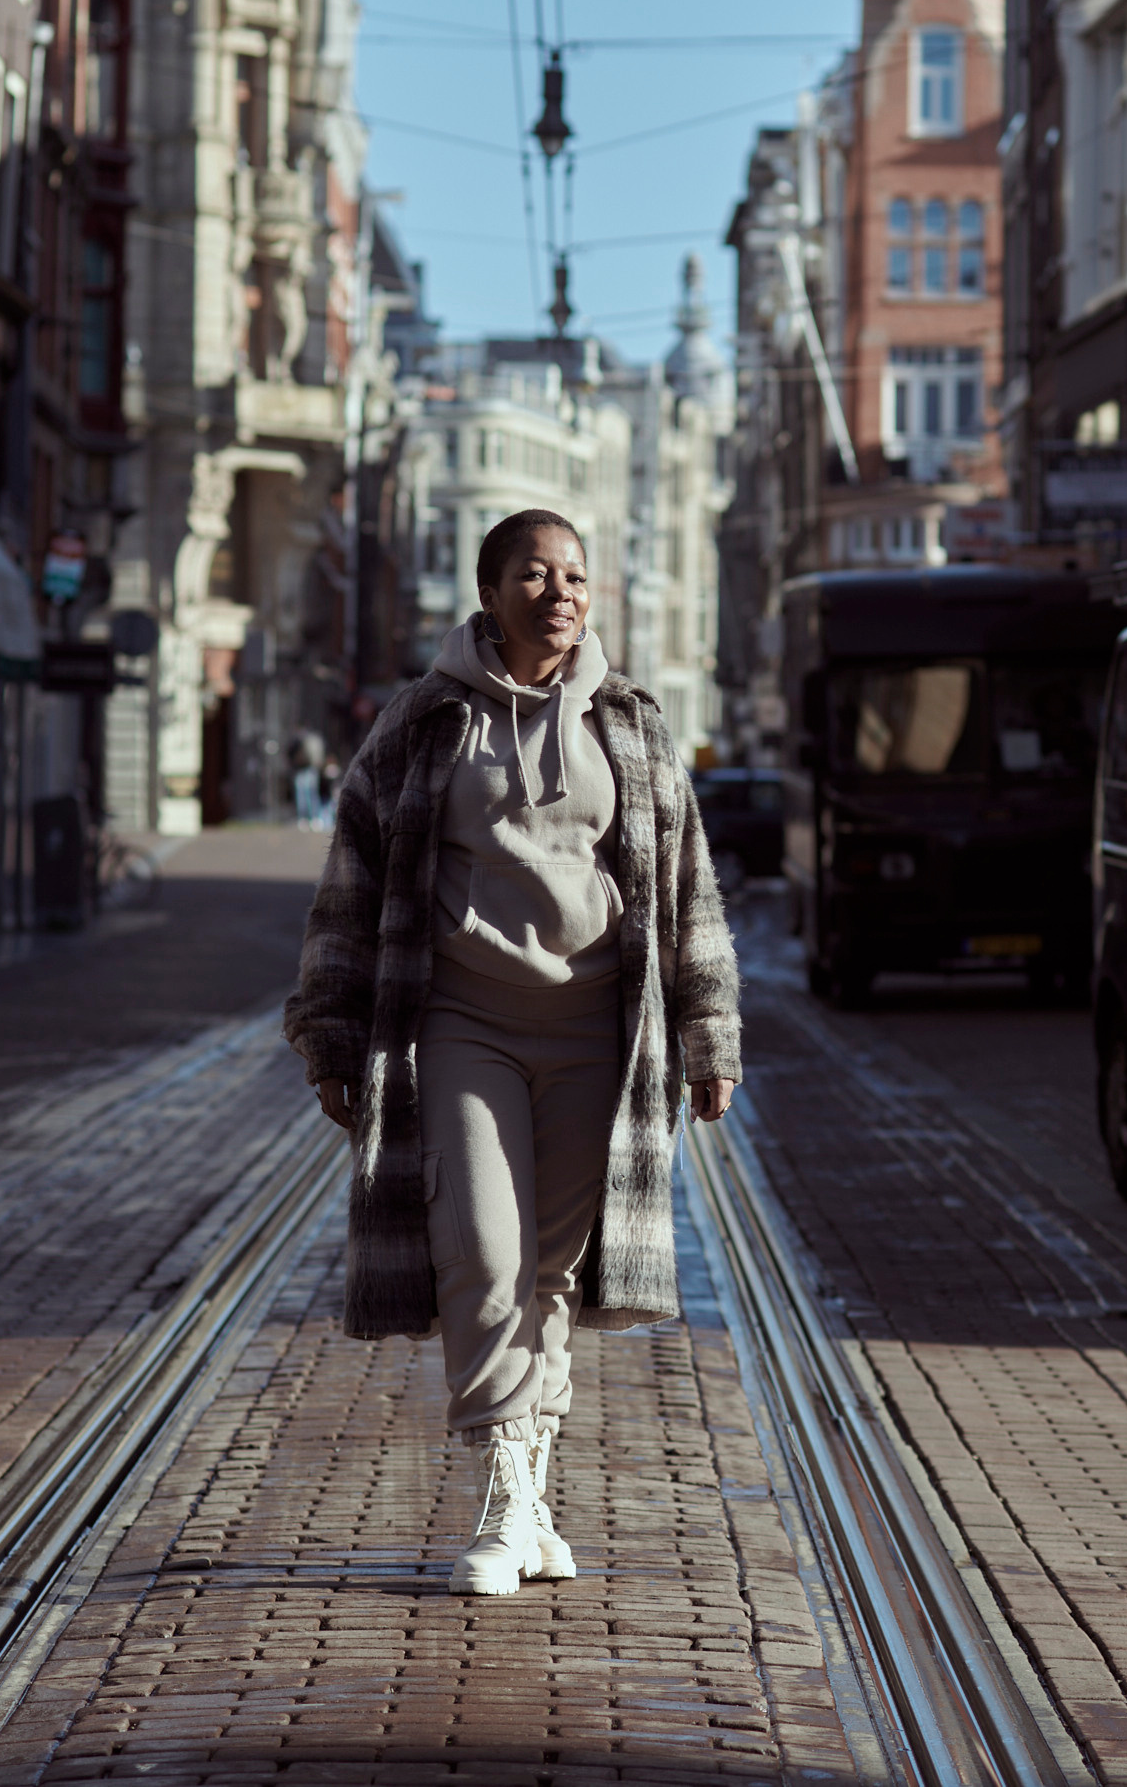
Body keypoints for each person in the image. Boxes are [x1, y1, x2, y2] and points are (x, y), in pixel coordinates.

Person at [285, 508, 740, 1596]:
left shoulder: (630, 721)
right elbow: (349, 877)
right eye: (533, 573)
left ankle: (530, 1487)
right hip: (460, 1026)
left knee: (546, 1273)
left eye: (575, 573)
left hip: (597, 1034)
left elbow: (685, 888)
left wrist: (706, 1031)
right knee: (483, 1259)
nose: (559, 590)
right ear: (488, 591)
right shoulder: (421, 723)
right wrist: (331, 1029)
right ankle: (499, 1498)